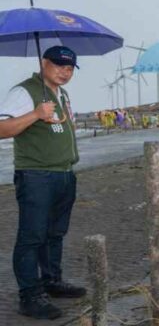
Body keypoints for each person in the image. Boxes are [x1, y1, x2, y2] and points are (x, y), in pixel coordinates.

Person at [0, 46, 87, 320]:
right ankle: (30, 295)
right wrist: (36, 114)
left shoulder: (62, 95)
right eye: (59, 65)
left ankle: (52, 280)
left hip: (63, 173)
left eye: (70, 67)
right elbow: (2, 129)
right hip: (36, 175)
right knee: (32, 236)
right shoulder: (24, 92)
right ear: (43, 63)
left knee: (55, 233)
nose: (65, 72)